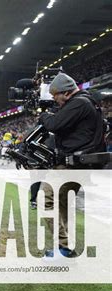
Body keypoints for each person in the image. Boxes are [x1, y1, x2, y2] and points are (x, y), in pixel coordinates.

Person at [38, 72, 105, 258]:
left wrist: (43, 115)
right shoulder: (86, 101)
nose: (55, 100)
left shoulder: (79, 103)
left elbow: (53, 124)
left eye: (56, 96)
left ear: (66, 93)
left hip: (72, 165)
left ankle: (64, 248)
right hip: (78, 164)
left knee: (45, 199)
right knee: (63, 204)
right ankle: (65, 247)